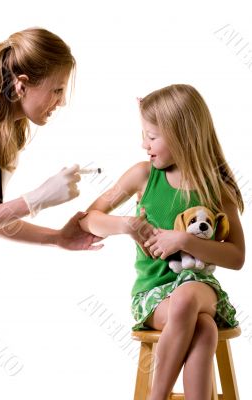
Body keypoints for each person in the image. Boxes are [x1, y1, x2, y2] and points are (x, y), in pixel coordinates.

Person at [79, 84, 245, 400]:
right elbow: (89, 218)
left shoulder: (217, 188)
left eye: (152, 136)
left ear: (183, 135)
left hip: (202, 290)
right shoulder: (143, 175)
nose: (144, 144)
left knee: (186, 300)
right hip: (153, 296)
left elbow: (237, 256)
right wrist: (126, 225)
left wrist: (184, 240)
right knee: (204, 328)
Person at [0, 27, 102, 250]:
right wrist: (36, 199)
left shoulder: (9, 128)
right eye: (57, 90)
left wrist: (56, 238)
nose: (62, 102)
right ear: (21, 85)